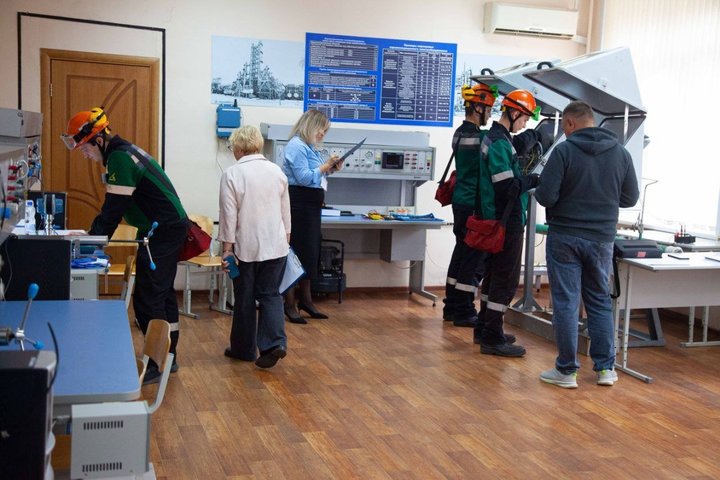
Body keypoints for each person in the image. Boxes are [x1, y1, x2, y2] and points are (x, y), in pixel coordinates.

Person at [61, 107, 188, 384]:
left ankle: (156, 363)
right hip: (165, 228)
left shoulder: (119, 157)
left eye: (85, 147)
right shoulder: (122, 152)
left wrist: (90, 243)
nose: (84, 154)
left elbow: (112, 210)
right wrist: (93, 237)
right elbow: (114, 209)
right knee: (162, 293)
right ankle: (169, 357)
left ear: (98, 139)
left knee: (148, 296)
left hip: (163, 231)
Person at [534, 100, 639, 388]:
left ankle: (567, 371)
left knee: (566, 302)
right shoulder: (621, 153)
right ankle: (606, 370)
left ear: (570, 123)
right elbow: (630, 198)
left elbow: (546, 196)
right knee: (599, 301)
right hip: (602, 239)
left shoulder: (564, 151)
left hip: (565, 236)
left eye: (564, 126)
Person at [473, 90, 542, 357]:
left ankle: (485, 328)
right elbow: (507, 187)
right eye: (524, 119)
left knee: (492, 276)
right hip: (506, 219)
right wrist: (533, 179)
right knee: (505, 280)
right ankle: (492, 338)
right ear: (514, 113)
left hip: (496, 217)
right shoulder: (500, 143)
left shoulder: (495, 138)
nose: (524, 125)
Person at [218, 125, 290, 368]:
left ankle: (243, 349)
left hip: (246, 248)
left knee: (245, 298)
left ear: (239, 147)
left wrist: (227, 250)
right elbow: (286, 213)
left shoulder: (232, 174)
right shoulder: (277, 172)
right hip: (277, 245)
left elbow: (229, 216)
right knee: (271, 295)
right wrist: (286, 241)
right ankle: (275, 343)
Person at [442, 83, 498, 328]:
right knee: (473, 259)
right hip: (474, 205)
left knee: (460, 255)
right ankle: (464, 311)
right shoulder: (480, 138)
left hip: (460, 202)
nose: (490, 116)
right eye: (489, 110)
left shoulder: (459, 133)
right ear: (478, 108)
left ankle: (451, 307)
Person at [282, 109, 343, 324]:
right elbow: (304, 177)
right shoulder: (296, 146)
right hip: (298, 205)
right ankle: (289, 304)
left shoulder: (308, 147)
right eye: (321, 130)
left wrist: (331, 169)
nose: (322, 135)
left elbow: (316, 174)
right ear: (311, 125)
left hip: (310, 207)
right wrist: (325, 165)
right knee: (295, 253)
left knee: (310, 253)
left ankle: (306, 301)